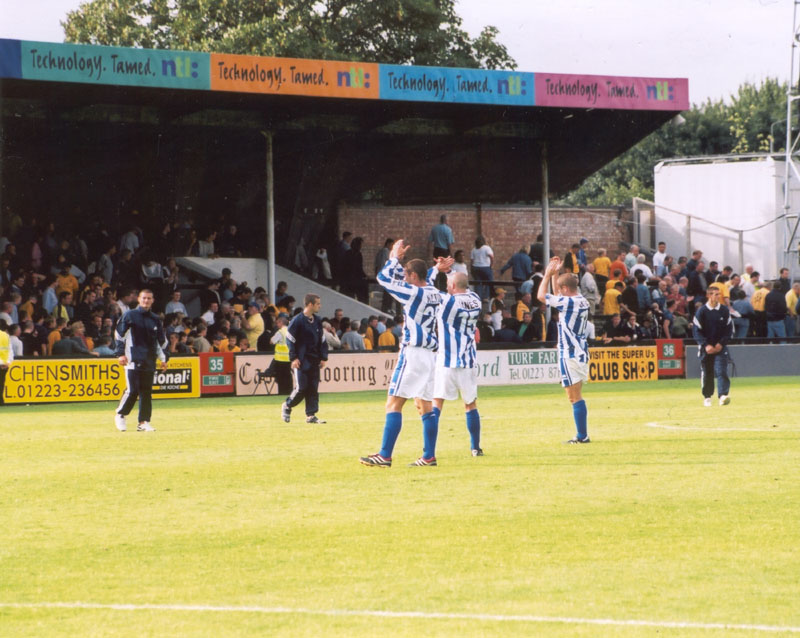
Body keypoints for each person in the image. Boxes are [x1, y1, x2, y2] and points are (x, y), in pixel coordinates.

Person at [360, 239, 442, 468]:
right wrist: (436, 269)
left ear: (414, 277)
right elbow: (429, 279)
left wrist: (394, 257)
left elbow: (384, 279)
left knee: (393, 403)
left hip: (414, 352)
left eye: (407, 275)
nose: (404, 278)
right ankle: (429, 456)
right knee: (426, 407)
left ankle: (385, 455)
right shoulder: (434, 292)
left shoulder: (413, 293)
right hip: (430, 356)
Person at [429, 260, 485, 456]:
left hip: (447, 360)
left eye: (447, 285)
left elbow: (426, 288)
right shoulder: (476, 299)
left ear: (452, 287)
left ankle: (429, 450)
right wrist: (450, 271)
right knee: (470, 404)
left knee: (437, 402)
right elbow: (461, 282)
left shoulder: (448, 301)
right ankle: (475, 447)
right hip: (468, 360)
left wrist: (437, 269)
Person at [537, 256, 591, 444]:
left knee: (573, 396)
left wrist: (546, 275)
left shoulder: (570, 303)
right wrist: (556, 274)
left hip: (570, 353)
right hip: (579, 351)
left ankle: (582, 436)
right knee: (576, 395)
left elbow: (541, 297)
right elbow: (557, 296)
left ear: (566, 289)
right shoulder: (580, 300)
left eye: (561, 289)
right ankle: (583, 434)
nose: (559, 292)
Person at [114, 289, 169, 432]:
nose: (146, 301)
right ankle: (121, 414)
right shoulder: (129, 315)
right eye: (144, 298)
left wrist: (164, 359)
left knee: (146, 392)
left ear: (153, 300)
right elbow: (119, 335)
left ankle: (143, 422)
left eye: (149, 298)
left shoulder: (155, 319)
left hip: (149, 360)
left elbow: (160, 342)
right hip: (132, 359)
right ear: (139, 299)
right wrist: (120, 354)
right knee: (133, 390)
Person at [281, 294, 328, 424]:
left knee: (313, 388)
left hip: (314, 360)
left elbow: (322, 340)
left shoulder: (317, 320)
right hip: (301, 360)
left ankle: (311, 415)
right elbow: (290, 340)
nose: (320, 306)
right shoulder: (297, 320)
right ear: (310, 304)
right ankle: (287, 405)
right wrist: (294, 358)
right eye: (318, 303)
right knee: (301, 388)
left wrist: (324, 357)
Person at [692, 287, 733, 407]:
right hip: (707, 348)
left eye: (718, 294)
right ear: (709, 296)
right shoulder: (702, 311)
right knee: (707, 372)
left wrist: (721, 343)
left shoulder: (724, 310)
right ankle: (707, 397)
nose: (718, 297)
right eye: (715, 294)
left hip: (720, 347)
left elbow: (729, 330)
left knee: (722, 371)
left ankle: (722, 396)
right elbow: (696, 331)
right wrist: (705, 345)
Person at [470, 235, 494, 301]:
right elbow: (491, 256)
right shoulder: (486, 248)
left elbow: (471, 261)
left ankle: (478, 297)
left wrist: (471, 269)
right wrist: (491, 265)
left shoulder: (473, 249)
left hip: (476, 267)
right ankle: (486, 297)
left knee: (478, 283)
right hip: (485, 267)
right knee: (488, 282)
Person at [0, 319, 13, 405]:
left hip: (1, 364)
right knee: (1, 384)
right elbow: (10, 351)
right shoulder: (6, 336)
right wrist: (7, 362)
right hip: (4, 365)